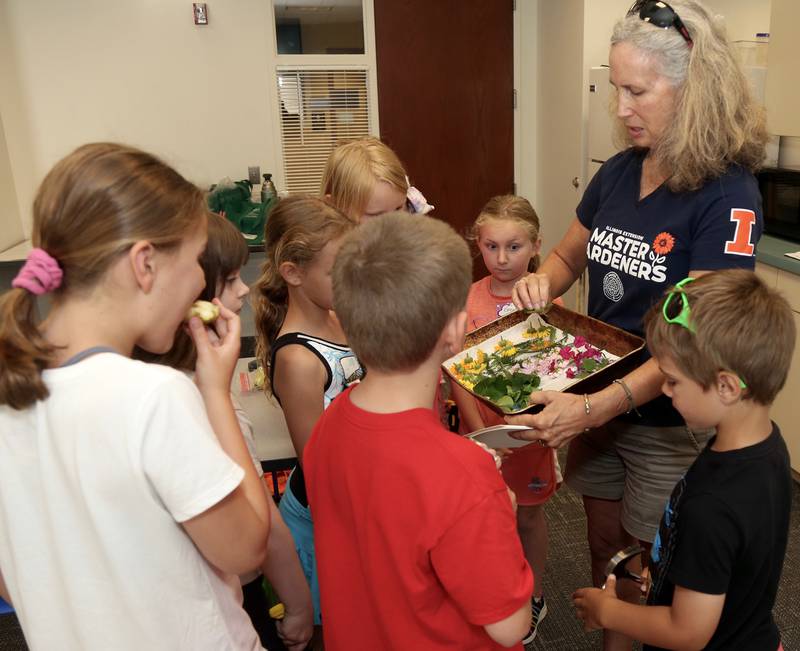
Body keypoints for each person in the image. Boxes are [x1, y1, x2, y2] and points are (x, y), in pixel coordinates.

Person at [511, 2, 768, 648]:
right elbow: (571, 253)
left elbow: (695, 339)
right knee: (603, 546)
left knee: (650, 565)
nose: (620, 108)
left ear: (693, 89)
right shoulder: (621, 170)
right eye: (616, 88)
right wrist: (545, 279)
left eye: (638, 91)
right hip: (596, 405)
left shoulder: (726, 194)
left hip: (661, 421)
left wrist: (592, 409)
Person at [0, 143, 270, 650]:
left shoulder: (10, 393)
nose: (197, 282)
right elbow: (246, 548)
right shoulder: (152, 395)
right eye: (193, 262)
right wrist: (214, 392)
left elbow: (17, 580)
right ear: (144, 263)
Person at [305, 212, 534, 650]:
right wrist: (499, 504)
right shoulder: (466, 478)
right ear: (454, 332)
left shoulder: (330, 423)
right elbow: (510, 626)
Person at [573, 269, 795, 651]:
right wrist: (670, 572)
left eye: (673, 380)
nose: (663, 388)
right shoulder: (768, 447)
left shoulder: (713, 506)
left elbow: (687, 631)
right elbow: (734, 558)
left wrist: (607, 612)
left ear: (726, 386)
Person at [135, 212, 313, 651]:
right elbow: (260, 531)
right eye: (230, 279)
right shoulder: (195, 397)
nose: (244, 289)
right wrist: (299, 605)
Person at [451, 194, 560, 644]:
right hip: (476, 436)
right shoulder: (467, 298)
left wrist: (535, 427)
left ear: (536, 246)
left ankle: (531, 593)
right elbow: (456, 368)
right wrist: (480, 433)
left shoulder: (545, 300)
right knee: (479, 519)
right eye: (491, 246)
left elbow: (559, 369)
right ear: (477, 244)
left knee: (528, 518)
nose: (501, 258)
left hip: (529, 436)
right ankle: (486, 595)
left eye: (514, 247)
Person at [251, 195, 359, 633]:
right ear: (293, 273)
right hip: (327, 519)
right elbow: (319, 470)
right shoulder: (297, 359)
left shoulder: (336, 316)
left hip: (356, 500)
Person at [320, 136, 434, 222]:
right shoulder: (328, 251)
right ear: (334, 207)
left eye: (398, 208)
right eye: (377, 215)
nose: (394, 224)